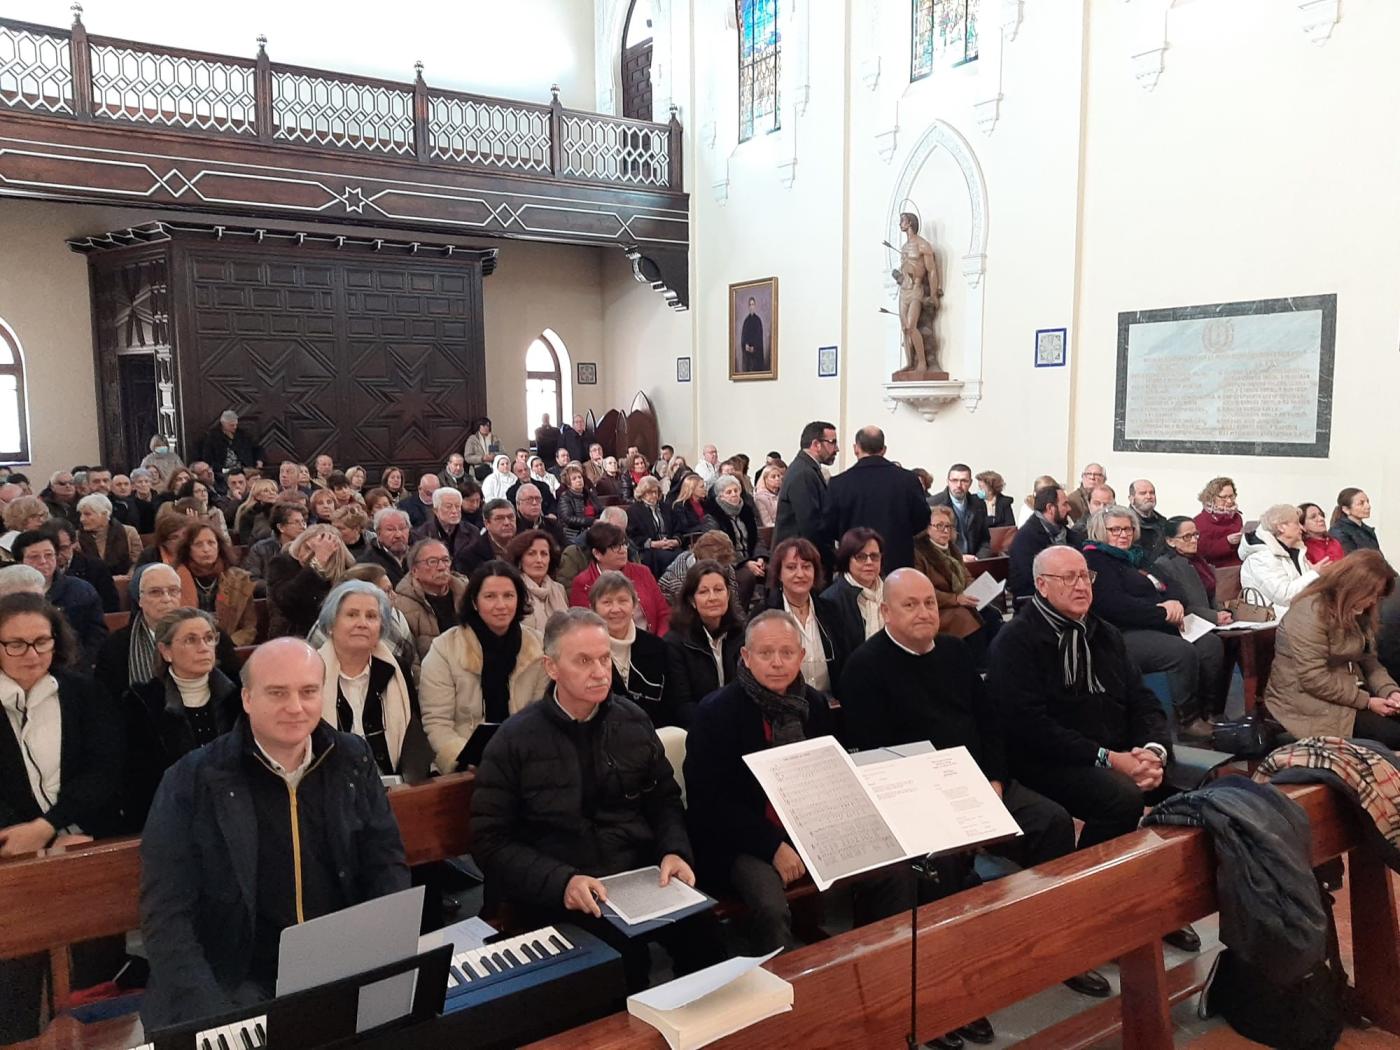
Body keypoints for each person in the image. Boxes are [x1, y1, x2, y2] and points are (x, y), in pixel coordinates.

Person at [138, 638, 409, 1029]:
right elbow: (167, 913)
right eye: (278, 693)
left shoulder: (351, 759)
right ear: (247, 698)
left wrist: (383, 957)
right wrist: (209, 1014)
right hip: (236, 976)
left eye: (308, 692)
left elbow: (386, 863)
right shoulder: (193, 779)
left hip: (338, 961)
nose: (295, 707)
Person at [471, 609, 722, 990]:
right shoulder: (514, 740)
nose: (600, 672)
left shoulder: (633, 720)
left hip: (637, 875)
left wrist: (674, 851)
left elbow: (664, 801)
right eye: (584, 661)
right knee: (622, 969)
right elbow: (490, 841)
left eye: (605, 658)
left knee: (708, 944)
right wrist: (562, 882)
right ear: (552, 667)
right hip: (562, 887)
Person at [684, 610, 914, 954]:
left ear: (801, 656)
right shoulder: (715, 712)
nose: (777, 662)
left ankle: (877, 956)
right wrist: (772, 846)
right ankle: (778, 979)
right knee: (770, 906)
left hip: (811, 824)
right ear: (746, 656)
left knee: (893, 868)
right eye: (765, 653)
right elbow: (709, 804)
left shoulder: (815, 705)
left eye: (787, 652)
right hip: (742, 838)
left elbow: (830, 777)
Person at [988, 546, 1172, 850]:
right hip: (1050, 759)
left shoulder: (1105, 633)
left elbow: (1143, 701)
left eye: (1085, 576)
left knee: (1196, 786)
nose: (1081, 585)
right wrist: (1108, 758)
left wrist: (1153, 751)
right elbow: (1029, 726)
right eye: (1068, 578)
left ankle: (1161, 872)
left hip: (1114, 749)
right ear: (1042, 585)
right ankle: (1095, 873)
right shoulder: (1016, 641)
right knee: (1121, 797)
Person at [1081, 507, 1222, 736]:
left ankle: (1210, 712)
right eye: (1115, 529)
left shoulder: (1138, 557)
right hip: (1121, 633)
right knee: (1181, 651)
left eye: (1128, 529)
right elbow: (1114, 606)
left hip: (1160, 624)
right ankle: (1188, 720)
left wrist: (1174, 602)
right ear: (1100, 531)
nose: (1123, 534)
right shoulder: (1095, 560)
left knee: (1210, 644)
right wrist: (1161, 612)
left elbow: (1174, 586)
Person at [419, 561, 549, 773]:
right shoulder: (445, 648)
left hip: (524, 759)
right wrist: (466, 760)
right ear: (474, 601)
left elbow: (541, 715)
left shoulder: (537, 646)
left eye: (509, 596)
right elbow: (437, 722)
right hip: (465, 764)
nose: (501, 605)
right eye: (490, 596)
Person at [1264, 551, 1400, 748]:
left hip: (1347, 692)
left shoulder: (1357, 609)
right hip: (1306, 702)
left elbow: (1369, 661)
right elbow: (1314, 678)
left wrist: (1390, 692)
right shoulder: (1309, 611)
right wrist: (1367, 701)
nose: (1373, 601)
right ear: (1354, 587)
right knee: (1394, 736)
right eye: (1372, 595)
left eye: (1377, 596)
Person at [121, 608, 241, 828]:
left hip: (236, 810)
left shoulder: (239, 695)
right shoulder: (142, 702)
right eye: (190, 640)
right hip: (174, 815)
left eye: (209, 638)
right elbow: (140, 779)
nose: (203, 647)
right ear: (166, 651)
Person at [312, 581, 423, 778]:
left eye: (371, 616)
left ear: (381, 628)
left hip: (393, 784)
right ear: (331, 625)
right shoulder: (310, 673)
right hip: (328, 783)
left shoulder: (397, 669)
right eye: (352, 615)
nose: (362, 623)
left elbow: (414, 738)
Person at [823, 427, 929, 573]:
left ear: (856, 448)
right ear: (884, 449)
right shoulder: (908, 480)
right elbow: (922, 519)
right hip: (897, 561)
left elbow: (829, 526)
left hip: (855, 561)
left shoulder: (839, 483)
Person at [912, 508, 1002, 668]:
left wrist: (976, 588)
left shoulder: (953, 549)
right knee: (967, 618)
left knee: (992, 614)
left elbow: (966, 576)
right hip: (940, 607)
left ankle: (995, 662)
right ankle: (977, 666)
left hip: (961, 601)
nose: (945, 530)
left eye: (948, 526)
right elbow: (925, 591)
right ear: (928, 528)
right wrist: (956, 599)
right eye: (939, 526)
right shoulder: (919, 553)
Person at [663, 560, 743, 728]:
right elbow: (682, 705)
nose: (713, 597)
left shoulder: (741, 634)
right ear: (692, 600)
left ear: (728, 594)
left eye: (719, 590)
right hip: (698, 727)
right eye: (704, 592)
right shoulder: (674, 643)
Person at [13, 530, 106, 667]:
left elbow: (96, 635)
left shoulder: (81, 590)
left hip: (73, 665)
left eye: (49, 555)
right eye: (34, 557)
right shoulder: (10, 593)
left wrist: (80, 666)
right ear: (20, 561)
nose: (43, 561)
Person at [588, 571, 670, 724]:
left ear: (634, 606)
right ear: (593, 609)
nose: (615, 609)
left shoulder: (657, 647)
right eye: (607, 602)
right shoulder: (586, 653)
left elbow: (670, 706)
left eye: (623, 601)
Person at [764, 537, 843, 694]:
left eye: (806, 567)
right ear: (779, 574)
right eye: (791, 567)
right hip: (784, 701)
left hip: (830, 701)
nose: (800, 574)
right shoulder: (765, 615)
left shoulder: (831, 610)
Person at [568, 522, 670, 634]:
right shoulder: (583, 583)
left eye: (624, 544)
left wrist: (660, 640)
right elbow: (583, 626)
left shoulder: (642, 572)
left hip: (649, 639)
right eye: (615, 547)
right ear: (597, 553)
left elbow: (663, 612)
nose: (623, 550)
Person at [174, 524, 258, 646]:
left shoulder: (239, 579)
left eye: (211, 543)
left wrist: (225, 645)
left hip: (229, 647)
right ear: (188, 549)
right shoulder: (176, 579)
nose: (206, 549)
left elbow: (249, 628)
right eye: (198, 544)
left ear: (219, 547)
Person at [266, 523, 354, 639]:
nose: (307, 556)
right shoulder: (282, 563)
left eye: (316, 553)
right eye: (307, 548)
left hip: (331, 635)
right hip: (291, 635)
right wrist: (317, 562)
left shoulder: (346, 573)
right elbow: (286, 600)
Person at [1238, 503, 1321, 619]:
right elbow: (1284, 596)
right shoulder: (1260, 558)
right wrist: (1314, 574)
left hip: (1299, 614)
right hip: (1275, 619)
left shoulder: (1295, 551)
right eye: (1297, 523)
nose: (1302, 528)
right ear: (1281, 527)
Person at [1153, 517, 1234, 628]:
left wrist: (1223, 613)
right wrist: (1213, 617)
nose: (1194, 540)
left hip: (1213, 620)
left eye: (1195, 535)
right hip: (1189, 625)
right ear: (1170, 541)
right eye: (1187, 537)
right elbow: (1180, 605)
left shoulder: (1199, 561)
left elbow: (1211, 594)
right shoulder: (1165, 565)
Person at [821, 527, 886, 664]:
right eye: (861, 557)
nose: (869, 562)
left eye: (874, 556)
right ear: (847, 559)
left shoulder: (892, 591)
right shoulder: (830, 601)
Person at [705, 474, 767, 610]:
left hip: (752, 559)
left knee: (774, 569)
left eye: (736, 490)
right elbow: (719, 548)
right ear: (720, 496)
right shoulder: (713, 517)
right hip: (729, 564)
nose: (734, 494)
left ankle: (769, 610)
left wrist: (760, 557)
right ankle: (739, 614)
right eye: (729, 492)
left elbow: (758, 538)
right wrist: (745, 563)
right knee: (747, 576)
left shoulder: (746, 511)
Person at [1008, 485, 1071, 599]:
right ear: (1050, 508)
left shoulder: (1070, 535)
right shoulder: (1025, 539)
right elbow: (1029, 579)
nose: (1069, 508)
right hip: (1035, 599)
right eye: (1065, 504)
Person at [504, 529, 567, 635]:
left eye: (544, 554)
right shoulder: (512, 590)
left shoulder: (559, 589)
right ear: (520, 560)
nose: (539, 560)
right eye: (531, 554)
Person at [928, 463, 991, 559]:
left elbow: (985, 540)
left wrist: (977, 559)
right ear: (947, 481)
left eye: (964, 481)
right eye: (954, 480)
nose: (959, 485)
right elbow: (930, 544)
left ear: (970, 482)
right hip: (946, 562)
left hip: (974, 561)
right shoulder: (933, 504)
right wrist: (959, 559)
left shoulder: (978, 503)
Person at [411, 485, 478, 572]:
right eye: (448, 506)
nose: (454, 511)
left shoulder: (472, 532)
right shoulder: (422, 534)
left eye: (457, 506)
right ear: (436, 510)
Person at [76, 493, 142, 576]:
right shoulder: (76, 537)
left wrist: (128, 577)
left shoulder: (129, 532)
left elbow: (138, 562)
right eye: (81, 514)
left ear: (104, 515)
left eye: (87, 514)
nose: (82, 519)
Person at [626, 475, 681, 575]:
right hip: (650, 550)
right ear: (642, 493)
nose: (654, 495)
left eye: (656, 492)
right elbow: (633, 536)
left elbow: (678, 528)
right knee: (671, 558)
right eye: (650, 492)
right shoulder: (633, 511)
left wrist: (675, 541)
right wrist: (653, 544)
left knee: (686, 556)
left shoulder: (666, 508)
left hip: (670, 545)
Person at [241, 501, 305, 583]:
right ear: (281, 527)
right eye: (296, 522)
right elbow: (252, 579)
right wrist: (276, 588)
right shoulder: (260, 549)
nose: (303, 527)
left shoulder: (309, 548)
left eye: (303, 522)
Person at [195, 410, 264, 482]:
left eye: (236, 424)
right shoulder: (212, 438)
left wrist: (259, 461)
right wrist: (226, 470)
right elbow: (208, 461)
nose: (235, 427)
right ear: (223, 424)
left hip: (246, 469)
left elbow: (257, 448)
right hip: (223, 471)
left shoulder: (242, 435)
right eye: (232, 425)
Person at [1194, 477, 1245, 569]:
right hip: (1217, 570)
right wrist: (1227, 542)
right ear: (1212, 498)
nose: (1229, 501)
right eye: (1224, 497)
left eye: (1231, 496)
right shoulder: (1200, 521)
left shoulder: (1237, 517)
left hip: (1240, 566)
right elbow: (1203, 553)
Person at [358, 507, 412, 586]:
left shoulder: (418, 555)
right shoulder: (367, 564)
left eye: (402, 528)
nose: (398, 535)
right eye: (390, 529)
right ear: (378, 534)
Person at [1126, 480, 1170, 563]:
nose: (1149, 496)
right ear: (1131, 498)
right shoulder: (1125, 523)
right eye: (1143, 493)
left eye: (1152, 493)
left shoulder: (1163, 522)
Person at [1330, 487, 1381, 554]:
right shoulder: (1338, 531)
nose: (1368, 506)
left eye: (1367, 502)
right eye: (1361, 503)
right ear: (1346, 509)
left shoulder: (1368, 530)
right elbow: (1350, 557)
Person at [556, 463, 597, 542]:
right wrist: (591, 521)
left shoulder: (589, 494)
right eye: (574, 479)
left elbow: (600, 509)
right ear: (569, 484)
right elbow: (568, 519)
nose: (578, 480)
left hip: (593, 528)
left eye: (580, 477)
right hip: (575, 533)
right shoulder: (565, 497)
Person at [233, 478, 279, 544]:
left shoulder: (281, 511)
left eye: (273, 490)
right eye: (266, 491)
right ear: (257, 496)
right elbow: (246, 540)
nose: (272, 493)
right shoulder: (248, 514)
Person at [0, 495, 47, 560]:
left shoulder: (44, 540)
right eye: (33, 516)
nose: (41, 520)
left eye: (42, 516)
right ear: (19, 518)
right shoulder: (5, 545)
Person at [1300, 502, 1346, 566]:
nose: (1321, 519)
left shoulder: (1334, 541)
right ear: (1302, 526)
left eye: (1321, 515)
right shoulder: (1304, 548)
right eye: (1313, 517)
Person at [669, 473, 710, 538]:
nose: (705, 489)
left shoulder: (705, 503)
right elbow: (684, 528)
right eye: (702, 487)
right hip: (692, 538)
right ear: (692, 489)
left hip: (708, 535)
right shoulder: (680, 506)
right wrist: (705, 527)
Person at [753, 462, 785, 529]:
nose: (777, 479)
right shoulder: (760, 497)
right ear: (765, 479)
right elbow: (767, 523)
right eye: (773, 477)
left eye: (778, 476)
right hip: (773, 530)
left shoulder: (783, 492)